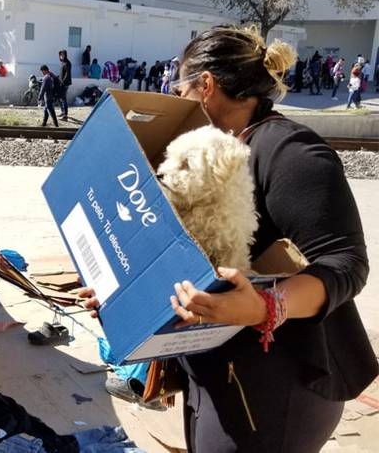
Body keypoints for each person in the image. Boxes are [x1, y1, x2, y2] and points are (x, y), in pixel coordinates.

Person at [81, 26, 376, 452]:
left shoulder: (291, 153)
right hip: (219, 369)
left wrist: (265, 306)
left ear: (206, 86)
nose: (174, 96)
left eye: (178, 86)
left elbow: (345, 263)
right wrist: (123, 294)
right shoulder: (201, 149)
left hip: (280, 385)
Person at [58, 50, 72, 121]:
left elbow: (67, 74)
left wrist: (63, 82)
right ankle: (63, 112)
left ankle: (65, 115)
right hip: (61, 83)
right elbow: (61, 73)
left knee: (63, 99)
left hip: (65, 83)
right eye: (60, 55)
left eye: (63, 54)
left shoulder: (67, 63)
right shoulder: (62, 63)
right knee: (60, 98)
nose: (61, 56)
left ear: (65, 55)